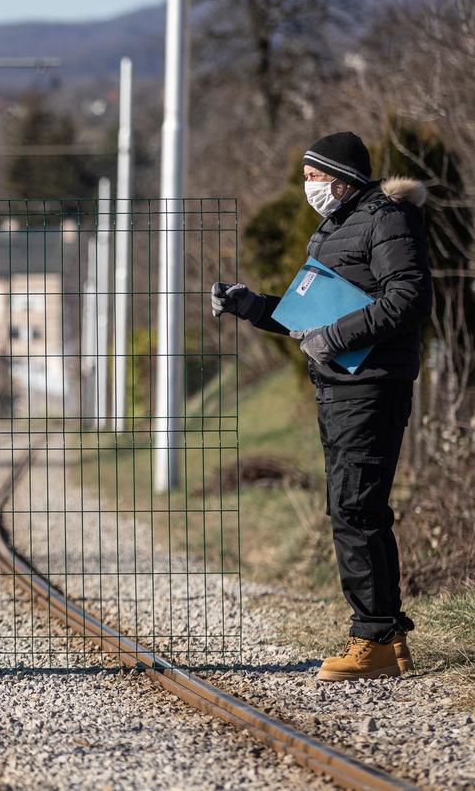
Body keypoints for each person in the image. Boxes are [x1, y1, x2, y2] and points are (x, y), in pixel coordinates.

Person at [212, 131, 431, 682]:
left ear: (341, 179)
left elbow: (408, 298)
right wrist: (252, 305)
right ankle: (388, 637)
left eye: (313, 177)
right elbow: (305, 313)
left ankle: (374, 636)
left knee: (354, 507)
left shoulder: (385, 219)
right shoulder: (336, 225)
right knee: (354, 507)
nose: (307, 186)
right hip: (340, 387)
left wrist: (336, 336)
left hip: (371, 384)